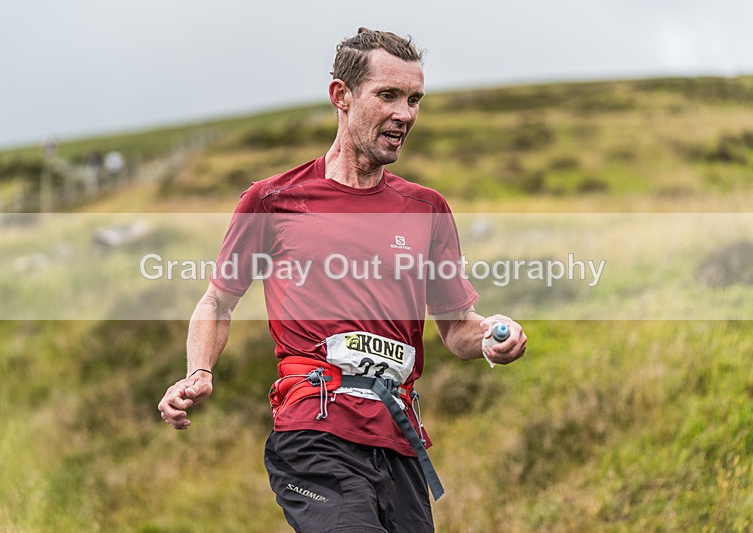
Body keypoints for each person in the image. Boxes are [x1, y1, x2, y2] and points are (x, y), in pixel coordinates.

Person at [158, 28, 527, 532]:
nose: (406, 114)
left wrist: (489, 337)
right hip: (315, 430)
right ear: (341, 96)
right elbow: (217, 303)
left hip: (399, 442)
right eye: (389, 95)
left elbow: (457, 326)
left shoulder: (427, 209)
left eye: (415, 99)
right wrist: (198, 371)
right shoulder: (273, 201)